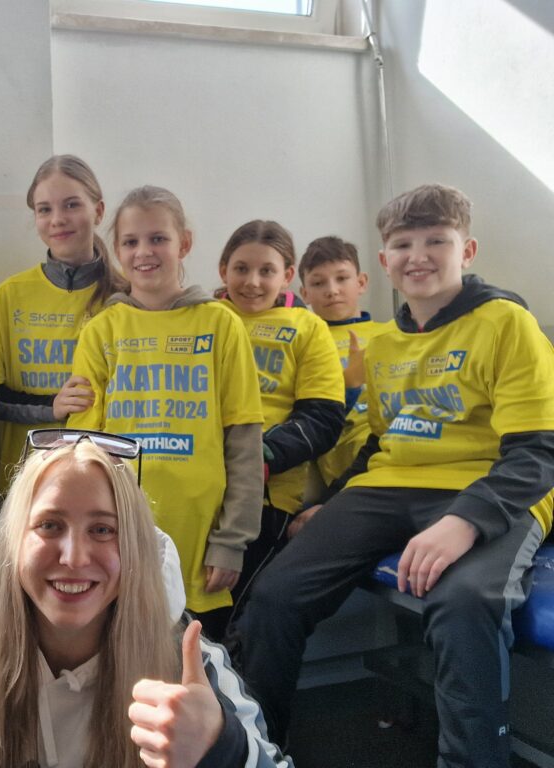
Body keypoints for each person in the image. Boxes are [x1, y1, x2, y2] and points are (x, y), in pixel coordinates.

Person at [235, 184, 554, 767]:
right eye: (404, 244)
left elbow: (537, 452)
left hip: (489, 487)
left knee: (464, 602)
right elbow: (382, 442)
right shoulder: (383, 344)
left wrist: (464, 521)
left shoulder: (507, 323)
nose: (418, 255)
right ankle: (259, 751)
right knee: (275, 596)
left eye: (437, 241)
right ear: (385, 261)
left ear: (467, 250)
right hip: (388, 488)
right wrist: (331, 502)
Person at [0, 432, 292, 768]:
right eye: (50, 525)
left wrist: (221, 747)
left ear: (135, 546)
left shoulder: (188, 660)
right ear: (13, 541)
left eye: (102, 529)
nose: (74, 557)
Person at [65, 186, 265, 641]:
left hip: (201, 547)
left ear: (184, 244)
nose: (144, 252)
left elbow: (243, 442)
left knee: (193, 669)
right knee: (124, 669)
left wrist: (231, 541)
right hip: (120, 539)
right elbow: (84, 454)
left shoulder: (221, 324)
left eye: (158, 238)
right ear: (117, 251)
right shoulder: (101, 331)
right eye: (131, 241)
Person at [211, 220, 345, 634]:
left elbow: (322, 418)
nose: (252, 282)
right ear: (223, 270)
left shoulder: (308, 328)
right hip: (199, 483)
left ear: (287, 275)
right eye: (241, 269)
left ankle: (231, 675)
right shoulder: (202, 318)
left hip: (267, 494)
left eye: (266, 270)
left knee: (233, 617)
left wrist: (259, 459)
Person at [0, 155, 126, 487]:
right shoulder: (11, 294)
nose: (58, 219)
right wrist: (51, 408)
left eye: (71, 205)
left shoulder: (125, 297)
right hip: (27, 481)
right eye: (45, 209)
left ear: (98, 211)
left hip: (106, 480)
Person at [296, 236, 390, 504]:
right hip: (349, 452)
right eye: (318, 283)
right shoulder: (302, 340)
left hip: (402, 437)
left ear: (361, 282)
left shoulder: (391, 333)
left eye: (342, 278)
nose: (332, 290)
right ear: (304, 293)